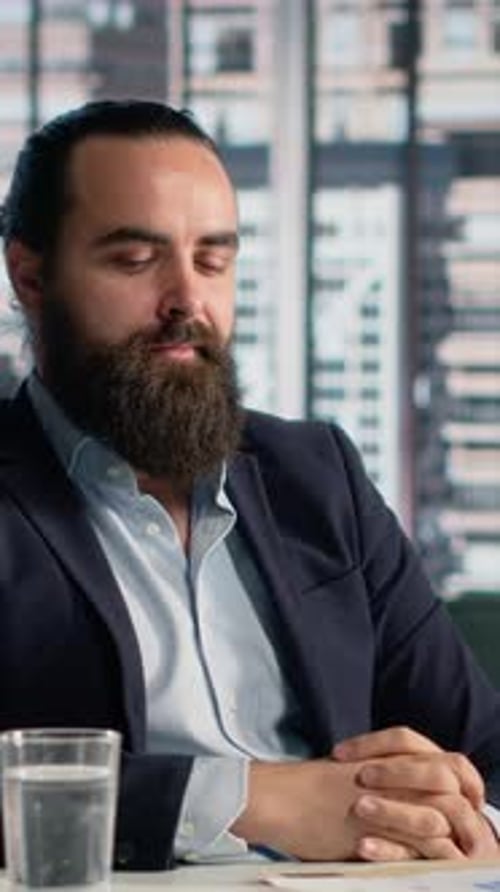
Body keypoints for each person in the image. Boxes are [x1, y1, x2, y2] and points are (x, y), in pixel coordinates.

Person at [0, 100, 499, 872]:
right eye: (135, 260)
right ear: (31, 275)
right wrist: (245, 799)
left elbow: (483, 749)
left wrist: (469, 821)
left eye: (212, 261)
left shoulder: (318, 475)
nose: (187, 301)